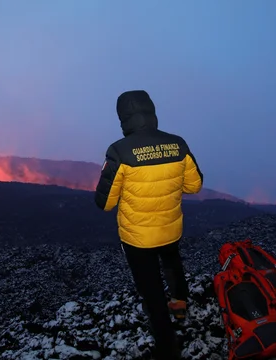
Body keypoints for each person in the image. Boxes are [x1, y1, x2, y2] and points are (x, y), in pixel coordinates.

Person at [94, 90, 203, 360]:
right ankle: (179, 305)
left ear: (123, 118)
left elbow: (105, 202)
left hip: (137, 239)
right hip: (171, 228)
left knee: (151, 291)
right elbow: (195, 185)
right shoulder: (178, 144)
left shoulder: (119, 151)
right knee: (172, 262)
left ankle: (168, 350)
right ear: (152, 111)